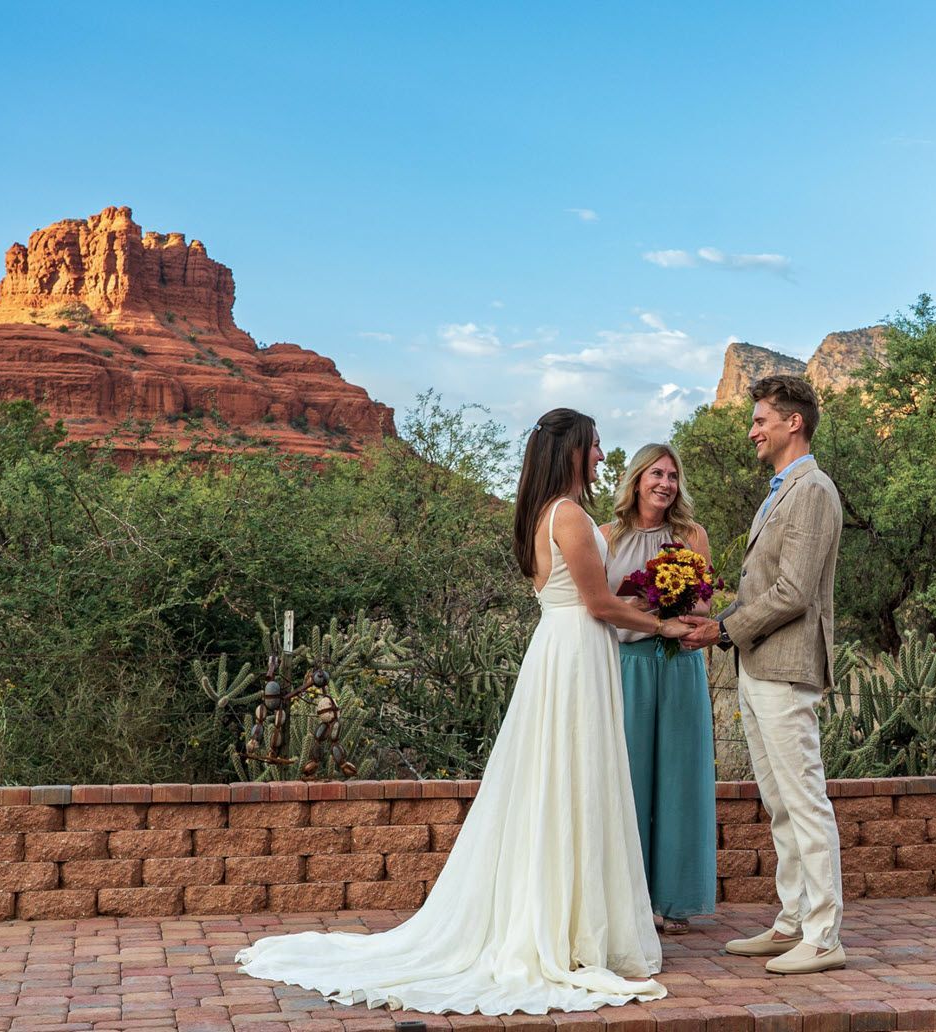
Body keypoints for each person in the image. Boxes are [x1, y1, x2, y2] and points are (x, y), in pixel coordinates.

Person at [237, 407, 692, 1015]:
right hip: (576, 651)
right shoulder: (572, 518)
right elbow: (599, 604)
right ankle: (569, 926)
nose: (603, 458)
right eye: (597, 446)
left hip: (560, 650)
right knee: (571, 778)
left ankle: (572, 916)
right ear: (573, 451)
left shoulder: (542, 513)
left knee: (559, 782)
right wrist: (665, 622)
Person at [680, 375, 845, 976]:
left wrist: (724, 630)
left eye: (760, 420)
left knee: (803, 799)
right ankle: (792, 922)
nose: (752, 430)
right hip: (759, 663)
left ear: (792, 423)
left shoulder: (812, 491)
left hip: (786, 665)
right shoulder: (781, 490)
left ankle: (825, 936)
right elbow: (764, 586)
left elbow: (795, 591)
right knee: (779, 801)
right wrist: (715, 622)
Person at [601, 444, 716, 935]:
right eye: (656, 474)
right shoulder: (605, 537)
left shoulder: (691, 536)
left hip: (679, 667)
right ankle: (629, 899)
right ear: (636, 479)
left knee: (679, 779)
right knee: (629, 780)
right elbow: (596, 602)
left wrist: (675, 605)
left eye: (672, 476)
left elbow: (708, 608)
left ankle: (675, 899)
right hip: (625, 667)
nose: (665, 484)